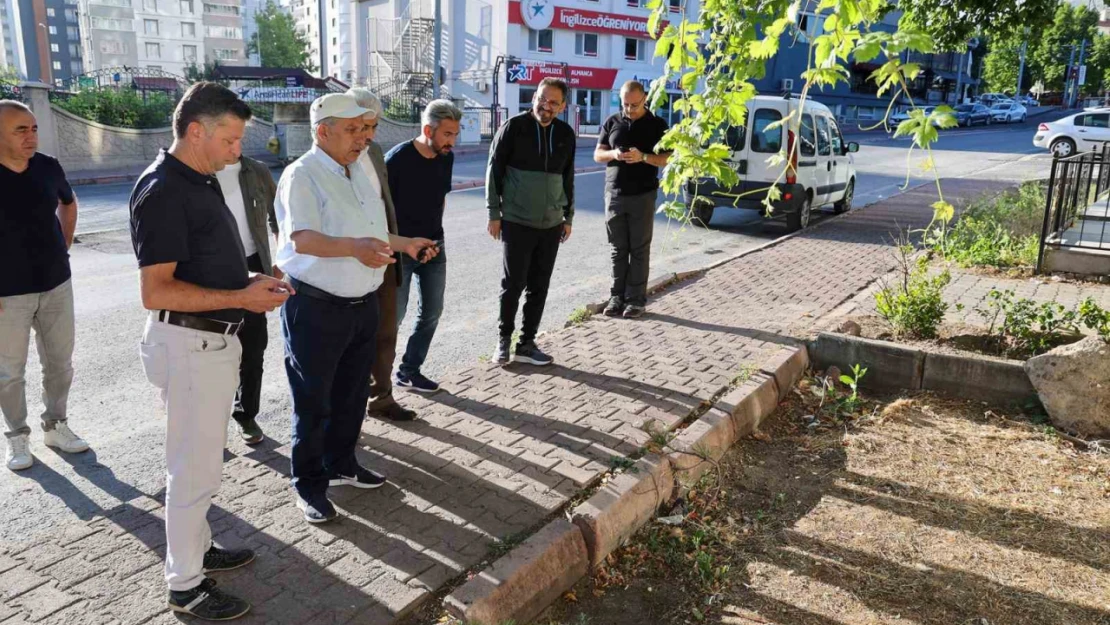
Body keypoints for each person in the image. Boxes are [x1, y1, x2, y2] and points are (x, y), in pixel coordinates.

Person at [130, 82, 290, 621]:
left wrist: (249, 281)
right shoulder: (164, 189)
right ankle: (185, 587)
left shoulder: (197, 179)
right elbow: (156, 290)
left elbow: (201, 265)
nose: (237, 149)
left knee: (199, 467)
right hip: (189, 343)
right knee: (193, 472)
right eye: (230, 138)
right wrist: (239, 296)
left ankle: (197, 550)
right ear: (196, 131)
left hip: (209, 341)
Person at [275, 93, 437, 525]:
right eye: (353, 130)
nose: (363, 138)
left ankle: (342, 464)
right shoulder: (302, 175)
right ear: (323, 131)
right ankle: (308, 484)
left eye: (366, 130)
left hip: (362, 304)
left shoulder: (359, 168)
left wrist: (404, 243)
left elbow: (372, 230)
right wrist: (356, 249)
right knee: (313, 402)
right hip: (315, 308)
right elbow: (302, 240)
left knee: (350, 396)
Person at [0, 99, 88, 471]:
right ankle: (17, 436)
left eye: (34, 128)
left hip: (56, 284)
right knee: (9, 371)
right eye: (21, 129)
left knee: (60, 364)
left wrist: (64, 246)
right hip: (7, 293)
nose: (31, 136)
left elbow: (68, 203)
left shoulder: (48, 167)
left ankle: (56, 424)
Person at [486, 77, 576, 366]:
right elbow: (494, 171)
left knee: (540, 284)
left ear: (562, 107)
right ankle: (503, 340)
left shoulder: (565, 134)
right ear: (534, 96)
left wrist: (568, 217)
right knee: (513, 283)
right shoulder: (513, 127)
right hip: (516, 220)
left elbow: (568, 177)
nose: (544, 106)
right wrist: (493, 214)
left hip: (551, 223)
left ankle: (527, 343)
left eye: (552, 102)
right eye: (541, 98)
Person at [348, 88, 416, 423]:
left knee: (386, 331)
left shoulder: (374, 152)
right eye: (363, 126)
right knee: (350, 340)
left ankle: (381, 398)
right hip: (347, 263)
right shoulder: (328, 158)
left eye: (373, 127)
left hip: (384, 257)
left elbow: (382, 203)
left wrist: (398, 244)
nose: (370, 135)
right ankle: (345, 409)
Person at [384, 99, 461, 393]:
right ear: (428, 129)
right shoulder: (396, 161)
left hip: (434, 245)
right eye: (447, 134)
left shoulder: (446, 158)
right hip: (401, 250)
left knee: (432, 311)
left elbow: (440, 199)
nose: (451, 141)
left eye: (455, 134)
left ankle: (409, 371)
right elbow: (382, 212)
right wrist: (402, 245)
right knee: (394, 318)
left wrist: (435, 237)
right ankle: (376, 380)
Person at [214, 152, 279, 445]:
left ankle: (246, 415)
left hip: (254, 264)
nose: (235, 143)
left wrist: (279, 261)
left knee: (254, 349)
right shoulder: (199, 171)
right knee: (213, 350)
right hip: (213, 267)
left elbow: (281, 217)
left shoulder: (258, 171)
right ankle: (210, 423)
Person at [594, 80, 671, 319]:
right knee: (618, 249)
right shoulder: (612, 122)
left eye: (634, 105)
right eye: (625, 104)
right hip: (614, 193)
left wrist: (644, 157)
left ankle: (636, 300)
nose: (629, 109)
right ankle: (617, 297)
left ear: (645, 98)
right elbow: (598, 154)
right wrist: (614, 154)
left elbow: (668, 158)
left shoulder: (657, 125)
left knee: (639, 249)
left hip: (642, 194)